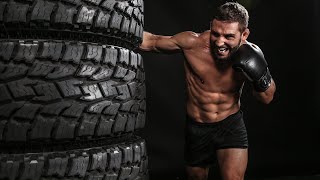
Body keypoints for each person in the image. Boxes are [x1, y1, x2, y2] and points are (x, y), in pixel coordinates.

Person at [140, 2, 276, 180]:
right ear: (211, 26)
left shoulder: (250, 56)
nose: (220, 42)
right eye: (216, 33)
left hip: (230, 124)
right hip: (197, 127)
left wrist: (259, 75)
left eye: (228, 36)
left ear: (244, 34)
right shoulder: (192, 43)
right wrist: (111, 25)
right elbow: (152, 42)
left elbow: (266, 97)